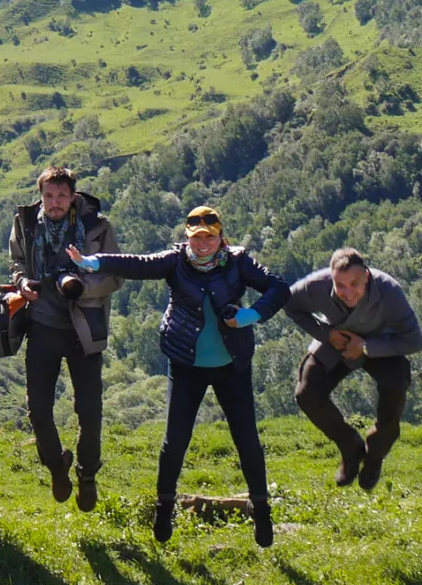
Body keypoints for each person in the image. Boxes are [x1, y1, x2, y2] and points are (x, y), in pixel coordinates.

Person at [66, 205, 289, 547]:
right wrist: (94, 263)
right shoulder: (176, 261)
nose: (202, 244)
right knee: (175, 441)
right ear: (187, 238)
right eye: (196, 238)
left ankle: (261, 510)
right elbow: (139, 265)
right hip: (186, 362)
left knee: (247, 440)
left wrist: (251, 315)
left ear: (221, 237)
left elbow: (278, 287)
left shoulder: (239, 261)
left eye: (209, 238)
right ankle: (163, 509)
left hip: (232, 363)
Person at [8, 166, 121, 510]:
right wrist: (22, 283)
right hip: (42, 325)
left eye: (61, 196)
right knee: (38, 409)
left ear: (73, 196)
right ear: (40, 195)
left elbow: (115, 274)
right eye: (48, 196)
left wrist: (82, 286)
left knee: (89, 410)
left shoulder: (97, 226)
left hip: (84, 327)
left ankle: (87, 475)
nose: (54, 202)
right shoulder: (26, 223)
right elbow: (17, 262)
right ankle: (57, 466)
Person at [286, 247, 422, 491]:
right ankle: (350, 447)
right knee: (306, 392)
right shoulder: (316, 285)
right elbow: (289, 303)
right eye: (340, 285)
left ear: (367, 276)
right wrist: (327, 334)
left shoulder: (389, 290)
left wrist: (366, 347)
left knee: (396, 385)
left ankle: (375, 454)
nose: (348, 293)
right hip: (337, 339)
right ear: (331, 278)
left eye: (355, 284)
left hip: (380, 344)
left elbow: (414, 341)